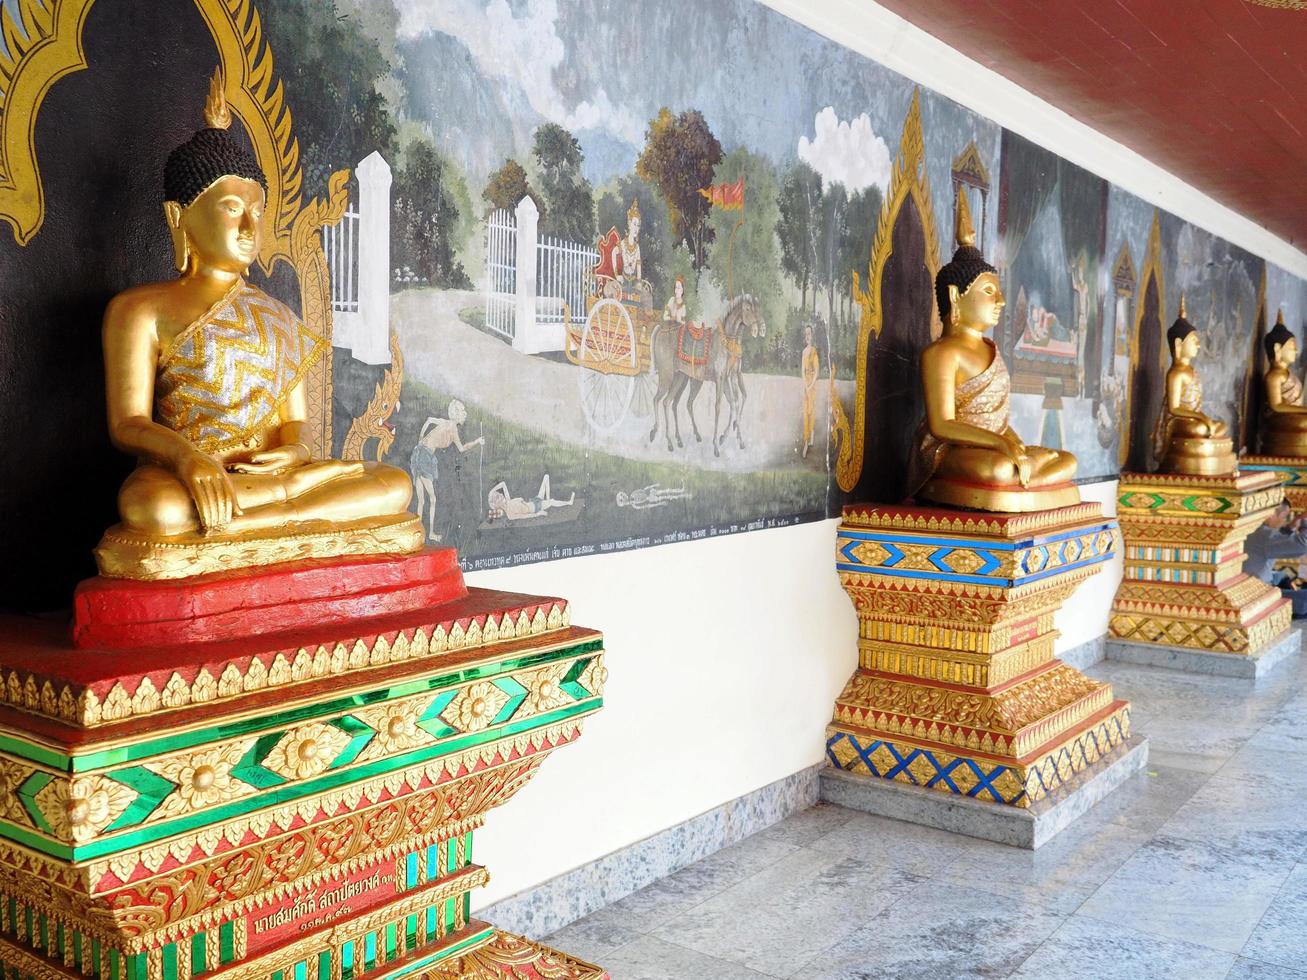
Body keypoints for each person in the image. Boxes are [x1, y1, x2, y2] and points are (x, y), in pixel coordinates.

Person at [97, 69, 415, 578]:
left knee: (393, 484)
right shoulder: (139, 310)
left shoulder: (278, 315)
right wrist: (189, 460)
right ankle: (282, 520)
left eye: (258, 210)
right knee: (152, 509)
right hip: (188, 479)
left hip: (275, 481)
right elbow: (127, 425)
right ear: (180, 218)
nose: (250, 226)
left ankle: (251, 526)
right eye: (230, 207)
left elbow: (297, 422)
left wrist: (295, 451)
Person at [410, 400, 485, 541]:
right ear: (456, 414)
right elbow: (462, 448)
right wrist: (477, 442)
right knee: (432, 498)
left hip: (418, 453)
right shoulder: (452, 427)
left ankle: (418, 532)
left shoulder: (445, 422)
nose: (465, 414)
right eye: (462, 411)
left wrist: (420, 439)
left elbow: (428, 421)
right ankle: (430, 533)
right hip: (425, 457)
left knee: (421, 500)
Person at [1243, 501, 1307, 616]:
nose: (1283, 521)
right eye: (1284, 517)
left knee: (1283, 577)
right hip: (1256, 595)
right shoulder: (1262, 534)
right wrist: (1305, 523)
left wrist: (1291, 527)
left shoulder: (1255, 530)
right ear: (1271, 514)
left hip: (1254, 587)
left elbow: (1278, 538)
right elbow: (1302, 546)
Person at [487, 475, 575, 521]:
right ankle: (569, 502)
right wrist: (538, 514)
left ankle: (547, 498)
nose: (501, 495)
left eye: (499, 494)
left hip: (535, 500)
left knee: (546, 477)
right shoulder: (510, 514)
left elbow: (502, 484)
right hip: (536, 507)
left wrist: (492, 492)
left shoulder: (509, 500)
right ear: (496, 505)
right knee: (551, 502)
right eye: (497, 497)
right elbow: (525, 516)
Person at [801, 325, 820, 458]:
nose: (808, 336)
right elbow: (802, 370)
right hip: (806, 385)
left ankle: (810, 436)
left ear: (812, 336)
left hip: (812, 386)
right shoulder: (804, 352)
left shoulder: (814, 351)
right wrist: (805, 384)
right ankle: (806, 440)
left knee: (810, 411)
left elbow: (817, 371)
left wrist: (810, 385)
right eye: (806, 334)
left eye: (809, 334)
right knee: (805, 412)